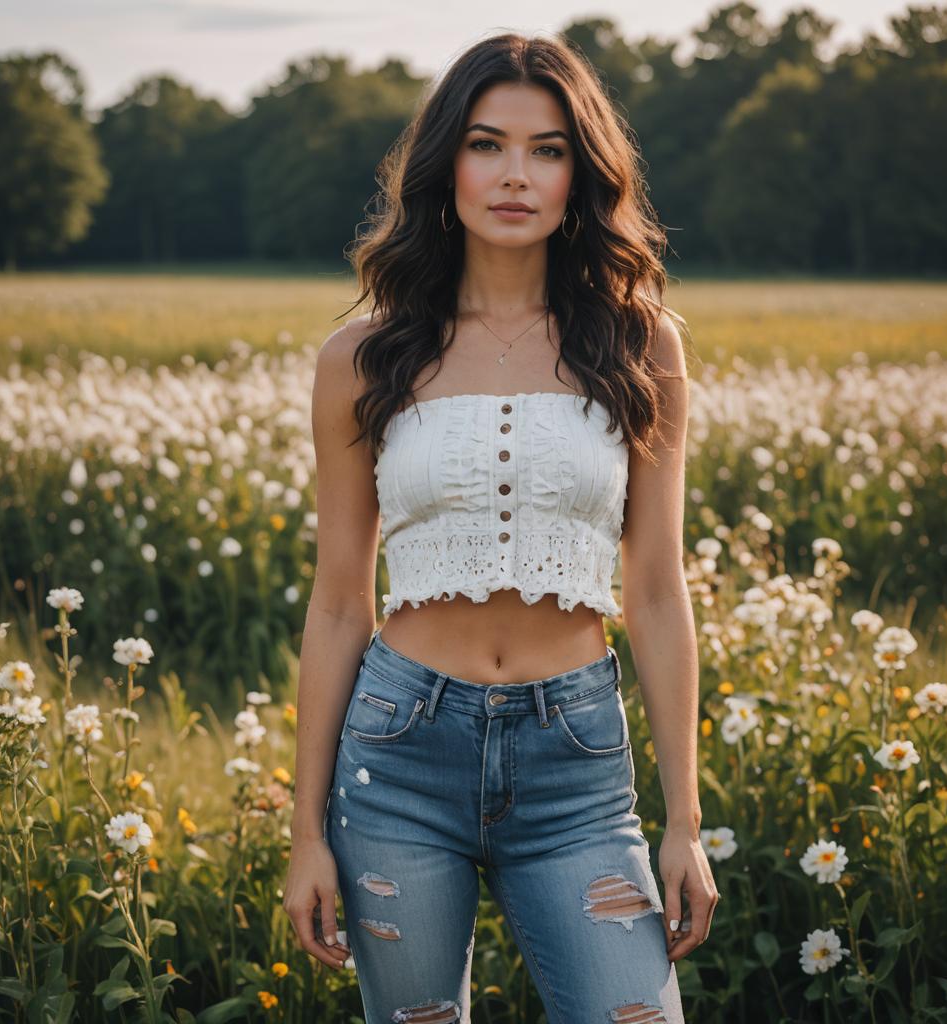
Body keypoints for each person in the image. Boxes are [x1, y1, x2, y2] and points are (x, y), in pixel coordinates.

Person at [282, 30, 717, 1024]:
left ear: (581, 174)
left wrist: (682, 821)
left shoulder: (639, 342)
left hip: (575, 760)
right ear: (447, 166)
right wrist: (305, 830)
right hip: (397, 753)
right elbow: (342, 598)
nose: (515, 174)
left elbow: (653, 589)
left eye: (548, 149)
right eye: (487, 144)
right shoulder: (363, 355)